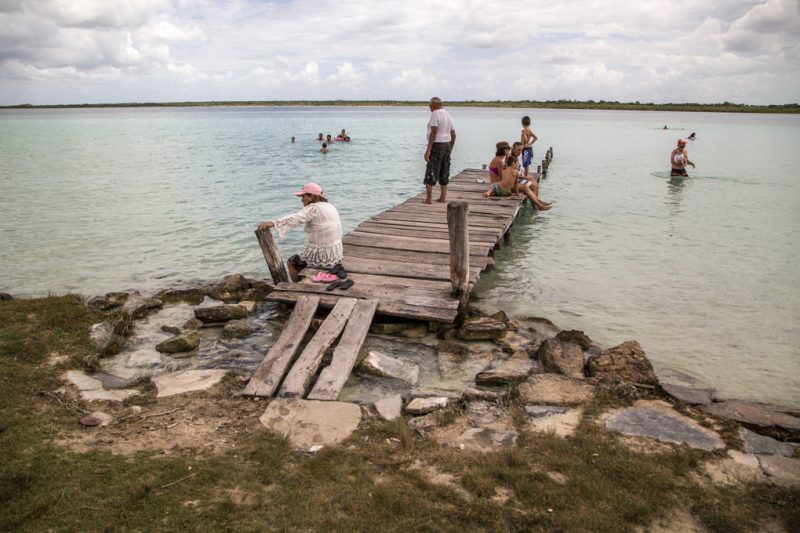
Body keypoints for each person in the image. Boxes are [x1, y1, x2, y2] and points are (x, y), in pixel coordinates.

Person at [257, 183, 343, 282]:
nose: (302, 200)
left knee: (291, 262)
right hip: (335, 253)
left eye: (303, 197)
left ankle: (297, 283)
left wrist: (273, 222)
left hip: (322, 256)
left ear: (311, 196)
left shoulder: (314, 208)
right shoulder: (330, 206)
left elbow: (296, 218)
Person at [483, 155, 552, 210]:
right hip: (506, 193)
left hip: (500, 191)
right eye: (517, 164)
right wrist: (517, 194)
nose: (518, 165)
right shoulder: (516, 172)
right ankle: (540, 204)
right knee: (525, 187)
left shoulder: (504, 170)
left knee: (496, 186)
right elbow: (516, 185)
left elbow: (503, 180)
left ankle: (540, 203)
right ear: (513, 163)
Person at [423, 96, 456, 204]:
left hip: (437, 145)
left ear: (434, 105)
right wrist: (450, 148)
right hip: (447, 144)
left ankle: (429, 199)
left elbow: (434, 132)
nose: (429, 108)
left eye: (430, 105)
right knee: (444, 170)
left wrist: (428, 150)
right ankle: (443, 197)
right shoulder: (447, 114)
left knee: (431, 169)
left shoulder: (435, 113)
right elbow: (453, 134)